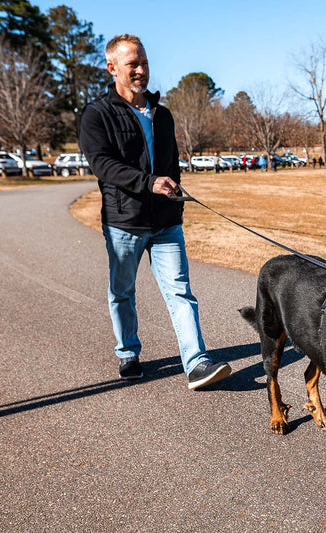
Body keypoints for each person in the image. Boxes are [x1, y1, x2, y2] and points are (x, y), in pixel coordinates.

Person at [79, 34, 231, 389]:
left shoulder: (162, 114)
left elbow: (171, 162)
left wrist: (174, 195)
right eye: (133, 64)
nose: (141, 70)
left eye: (144, 63)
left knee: (181, 292)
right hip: (123, 222)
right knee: (122, 291)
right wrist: (148, 183)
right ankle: (128, 353)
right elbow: (103, 165)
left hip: (165, 223)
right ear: (112, 67)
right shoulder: (97, 114)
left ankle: (196, 363)